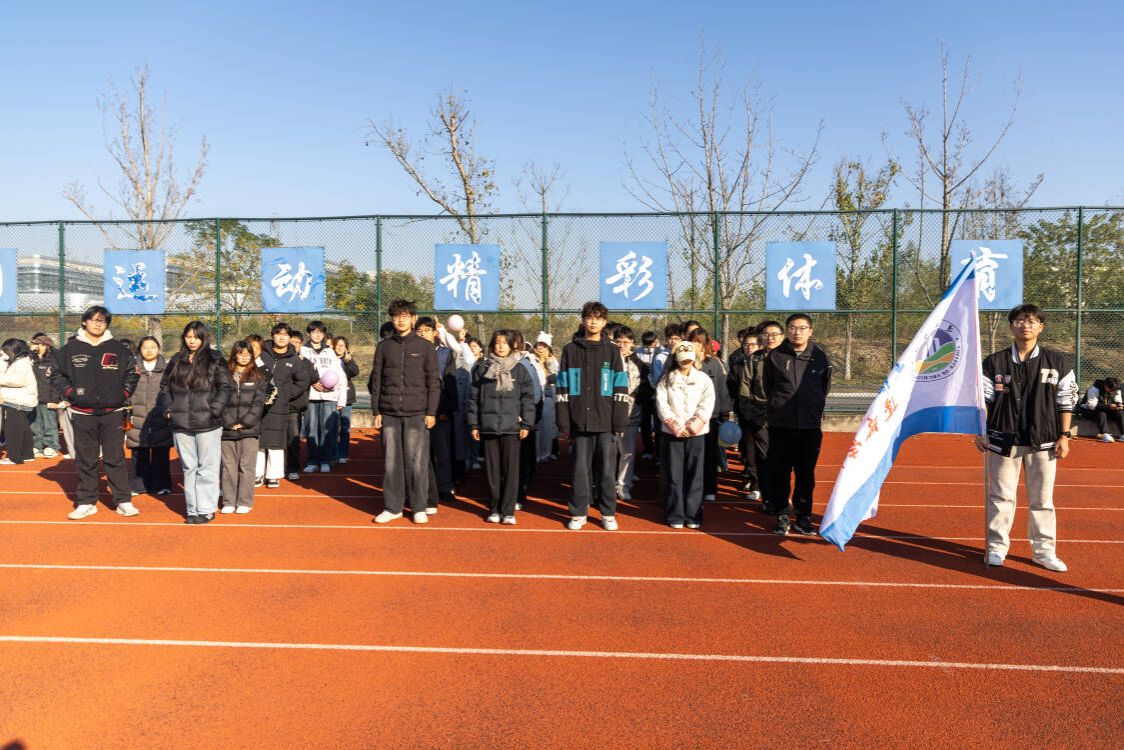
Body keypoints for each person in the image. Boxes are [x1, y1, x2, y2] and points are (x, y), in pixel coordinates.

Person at [976, 304, 1077, 572]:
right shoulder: (994, 362)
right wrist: (981, 431)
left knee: (1042, 500)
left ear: (1041, 327)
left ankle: (1044, 551)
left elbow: (1066, 400)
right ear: (1011, 326)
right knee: (1000, 496)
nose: (1025, 325)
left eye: (1031, 321)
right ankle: (996, 547)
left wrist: (1064, 435)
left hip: (1044, 441)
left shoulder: (1058, 362)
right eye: (1019, 320)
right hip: (1003, 439)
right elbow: (984, 400)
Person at [50, 306, 140, 519]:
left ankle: (123, 500)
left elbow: (132, 373)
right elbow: (56, 375)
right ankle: (86, 502)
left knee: (115, 458)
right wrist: (71, 393)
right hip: (82, 412)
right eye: (94, 320)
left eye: (103, 321)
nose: (98, 324)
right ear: (84, 322)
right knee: (86, 459)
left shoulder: (119, 349)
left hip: (113, 411)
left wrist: (123, 393)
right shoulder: (69, 349)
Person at [556, 301, 630, 531]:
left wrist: (619, 421)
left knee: (607, 472)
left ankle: (608, 513)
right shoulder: (570, 350)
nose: (593, 322)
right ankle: (579, 512)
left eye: (598, 318)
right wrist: (564, 420)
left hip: (606, 423)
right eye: (589, 317)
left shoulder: (612, 351)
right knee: (579, 471)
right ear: (583, 320)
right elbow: (562, 386)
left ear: (604, 322)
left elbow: (620, 386)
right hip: (579, 422)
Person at [370, 299, 439, 524]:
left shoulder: (425, 347)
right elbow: (377, 380)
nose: (400, 320)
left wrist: (431, 411)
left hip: (417, 413)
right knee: (391, 462)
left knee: (417, 462)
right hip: (389, 413)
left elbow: (433, 382)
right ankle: (393, 507)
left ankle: (419, 507)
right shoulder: (384, 347)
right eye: (396, 316)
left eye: (405, 316)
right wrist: (376, 410)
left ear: (413, 318)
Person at [762, 313, 832, 536]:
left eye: (802, 328)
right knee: (780, 472)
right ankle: (782, 514)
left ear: (810, 331)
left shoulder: (819, 357)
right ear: (787, 331)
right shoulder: (775, 356)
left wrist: (811, 406)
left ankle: (803, 517)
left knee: (806, 474)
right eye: (792, 328)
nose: (797, 332)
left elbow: (824, 387)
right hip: (781, 425)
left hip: (809, 426)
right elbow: (767, 386)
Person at [161, 321, 232, 524]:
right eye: (188, 336)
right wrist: (169, 409)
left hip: (208, 423)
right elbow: (164, 387)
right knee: (189, 467)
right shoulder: (176, 360)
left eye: (196, 337)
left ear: (203, 338)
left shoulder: (215, 359)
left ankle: (206, 509)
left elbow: (225, 387)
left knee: (207, 467)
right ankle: (192, 509)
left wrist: (214, 410)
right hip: (181, 423)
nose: (191, 341)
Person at [468, 330, 536, 524]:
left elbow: (528, 399)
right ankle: (494, 508)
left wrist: (527, 423)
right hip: (488, 427)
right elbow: (473, 399)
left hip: (512, 428)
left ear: (512, 345)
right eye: (497, 343)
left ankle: (508, 511)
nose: (500, 346)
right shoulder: (482, 368)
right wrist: (473, 424)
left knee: (511, 471)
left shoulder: (520, 369)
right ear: (492, 345)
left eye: (504, 343)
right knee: (492, 472)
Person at [656, 341, 715, 528]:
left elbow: (707, 403)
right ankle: (675, 514)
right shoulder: (666, 379)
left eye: (689, 359)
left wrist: (693, 426)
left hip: (696, 434)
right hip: (672, 434)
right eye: (682, 359)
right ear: (676, 359)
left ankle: (693, 515)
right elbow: (661, 404)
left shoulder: (703, 379)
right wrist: (675, 425)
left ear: (694, 358)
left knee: (695, 474)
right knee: (674, 475)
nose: (686, 362)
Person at [728, 321, 783, 507]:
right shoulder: (754, 360)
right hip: (759, 416)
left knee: (782, 459)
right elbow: (744, 390)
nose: (770, 338)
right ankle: (764, 493)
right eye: (766, 334)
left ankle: (781, 495)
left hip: (784, 417)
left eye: (774, 334)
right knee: (761, 456)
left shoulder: (790, 358)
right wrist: (752, 414)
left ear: (782, 337)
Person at [257, 323, 312, 488]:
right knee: (258, 440)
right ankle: (257, 474)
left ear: (289, 338)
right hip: (259, 405)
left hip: (281, 407)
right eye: (278, 334)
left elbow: (303, 381)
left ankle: (273, 475)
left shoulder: (294, 359)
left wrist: (286, 395)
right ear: (272, 335)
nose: (282, 337)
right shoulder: (261, 354)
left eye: (286, 335)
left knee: (276, 441)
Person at [221, 341, 272, 514]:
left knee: (246, 466)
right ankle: (228, 501)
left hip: (250, 429)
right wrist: (228, 422)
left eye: (247, 354)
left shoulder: (258, 376)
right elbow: (218, 400)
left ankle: (244, 501)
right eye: (240, 353)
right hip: (226, 429)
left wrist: (244, 422)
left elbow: (259, 403)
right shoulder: (223, 375)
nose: (244, 357)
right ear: (234, 354)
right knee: (228, 466)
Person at [415, 316, 457, 513]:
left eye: (426, 330)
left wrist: (446, 410)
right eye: (419, 330)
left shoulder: (445, 353)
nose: (422, 333)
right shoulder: (412, 352)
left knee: (442, 452)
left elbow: (450, 383)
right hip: (417, 412)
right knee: (422, 454)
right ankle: (424, 489)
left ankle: (445, 487)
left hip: (440, 412)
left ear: (434, 332)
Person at [687, 327, 734, 502]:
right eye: (692, 341)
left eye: (699, 342)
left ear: (705, 344)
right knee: (689, 454)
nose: (695, 345)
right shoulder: (682, 361)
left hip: (709, 417)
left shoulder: (714, 363)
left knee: (709, 454)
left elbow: (722, 390)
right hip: (687, 416)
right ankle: (690, 487)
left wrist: (725, 412)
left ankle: (709, 488)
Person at [126, 336, 173, 497]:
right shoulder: (132, 368)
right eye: (145, 347)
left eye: (153, 347)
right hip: (137, 416)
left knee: (161, 453)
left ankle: (162, 484)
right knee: (139, 453)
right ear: (140, 349)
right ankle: (138, 485)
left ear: (158, 349)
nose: (149, 350)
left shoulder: (167, 369)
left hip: (161, 416)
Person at [300, 321, 347, 473]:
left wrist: (341, 398)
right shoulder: (303, 351)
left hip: (329, 396)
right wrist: (312, 382)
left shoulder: (330, 352)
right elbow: (299, 373)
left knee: (328, 430)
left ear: (324, 334)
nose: (317, 334)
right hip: (310, 396)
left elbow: (340, 375)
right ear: (309, 334)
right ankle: (312, 461)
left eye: (320, 332)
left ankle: (326, 460)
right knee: (311, 429)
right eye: (314, 331)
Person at [510, 329, 545, 509]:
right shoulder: (493, 363)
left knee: (523, 456)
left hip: (523, 419)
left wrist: (531, 418)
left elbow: (535, 393)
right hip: (504, 419)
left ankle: (520, 490)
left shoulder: (526, 364)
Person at [613, 326, 648, 501]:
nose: (622, 345)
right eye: (618, 342)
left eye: (625, 342)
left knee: (627, 453)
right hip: (609, 415)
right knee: (609, 452)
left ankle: (623, 485)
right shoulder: (608, 360)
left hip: (631, 415)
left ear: (632, 343)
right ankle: (606, 483)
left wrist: (635, 399)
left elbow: (646, 389)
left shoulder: (640, 365)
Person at [0, 339, 38, 465]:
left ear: (14, 350)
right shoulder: (20, 361)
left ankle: (14, 457)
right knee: (23, 427)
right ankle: (27, 454)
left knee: (13, 429)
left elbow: (17, 380)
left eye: (7, 351)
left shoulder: (22, 363)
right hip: (19, 399)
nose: (5, 353)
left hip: (18, 400)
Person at [28, 333, 61, 458]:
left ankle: (51, 446)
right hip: (34, 398)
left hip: (48, 398)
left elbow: (56, 382)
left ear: (45, 345)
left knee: (49, 424)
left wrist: (54, 399)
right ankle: (37, 446)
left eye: (37, 344)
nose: (34, 346)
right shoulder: (32, 359)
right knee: (34, 424)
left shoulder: (53, 360)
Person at [333, 336, 361, 463]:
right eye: (338, 345)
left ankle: (343, 454)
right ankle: (333, 453)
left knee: (345, 427)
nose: (340, 347)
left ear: (346, 348)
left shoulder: (348, 359)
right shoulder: (329, 358)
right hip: (332, 397)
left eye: (342, 345)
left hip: (347, 398)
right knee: (332, 427)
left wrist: (347, 362)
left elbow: (354, 372)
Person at [533, 336, 559, 462]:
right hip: (535, 397)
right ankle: (536, 453)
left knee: (548, 426)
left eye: (544, 346)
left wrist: (547, 364)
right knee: (536, 425)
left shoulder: (553, 362)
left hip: (548, 397)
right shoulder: (531, 360)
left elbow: (554, 378)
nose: (541, 349)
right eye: (539, 346)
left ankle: (546, 452)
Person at [636, 331, 660, 460]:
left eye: (651, 344)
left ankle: (659, 453)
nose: (649, 348)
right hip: (644, 392)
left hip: (657, 393)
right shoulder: (638, 352)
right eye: (646, 345)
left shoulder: (661, 352)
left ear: (656, 341)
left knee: (658, 423)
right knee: (644, 422)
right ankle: (648, 449)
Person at [1078, 377, 1123, 442]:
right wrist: (1109, 407)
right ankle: (1105, 434)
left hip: (1106, 409)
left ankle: (1123, 434)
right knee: (1101, 413)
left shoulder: (1116, 389)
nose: (1113, 391)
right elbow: (1092, 405)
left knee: (1120, 412)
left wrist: (1118, 405)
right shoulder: (1094, 389)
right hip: (1089, 410)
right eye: (1111, 389)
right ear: (1105, 385)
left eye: (1114, 390)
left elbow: (1118, 400)